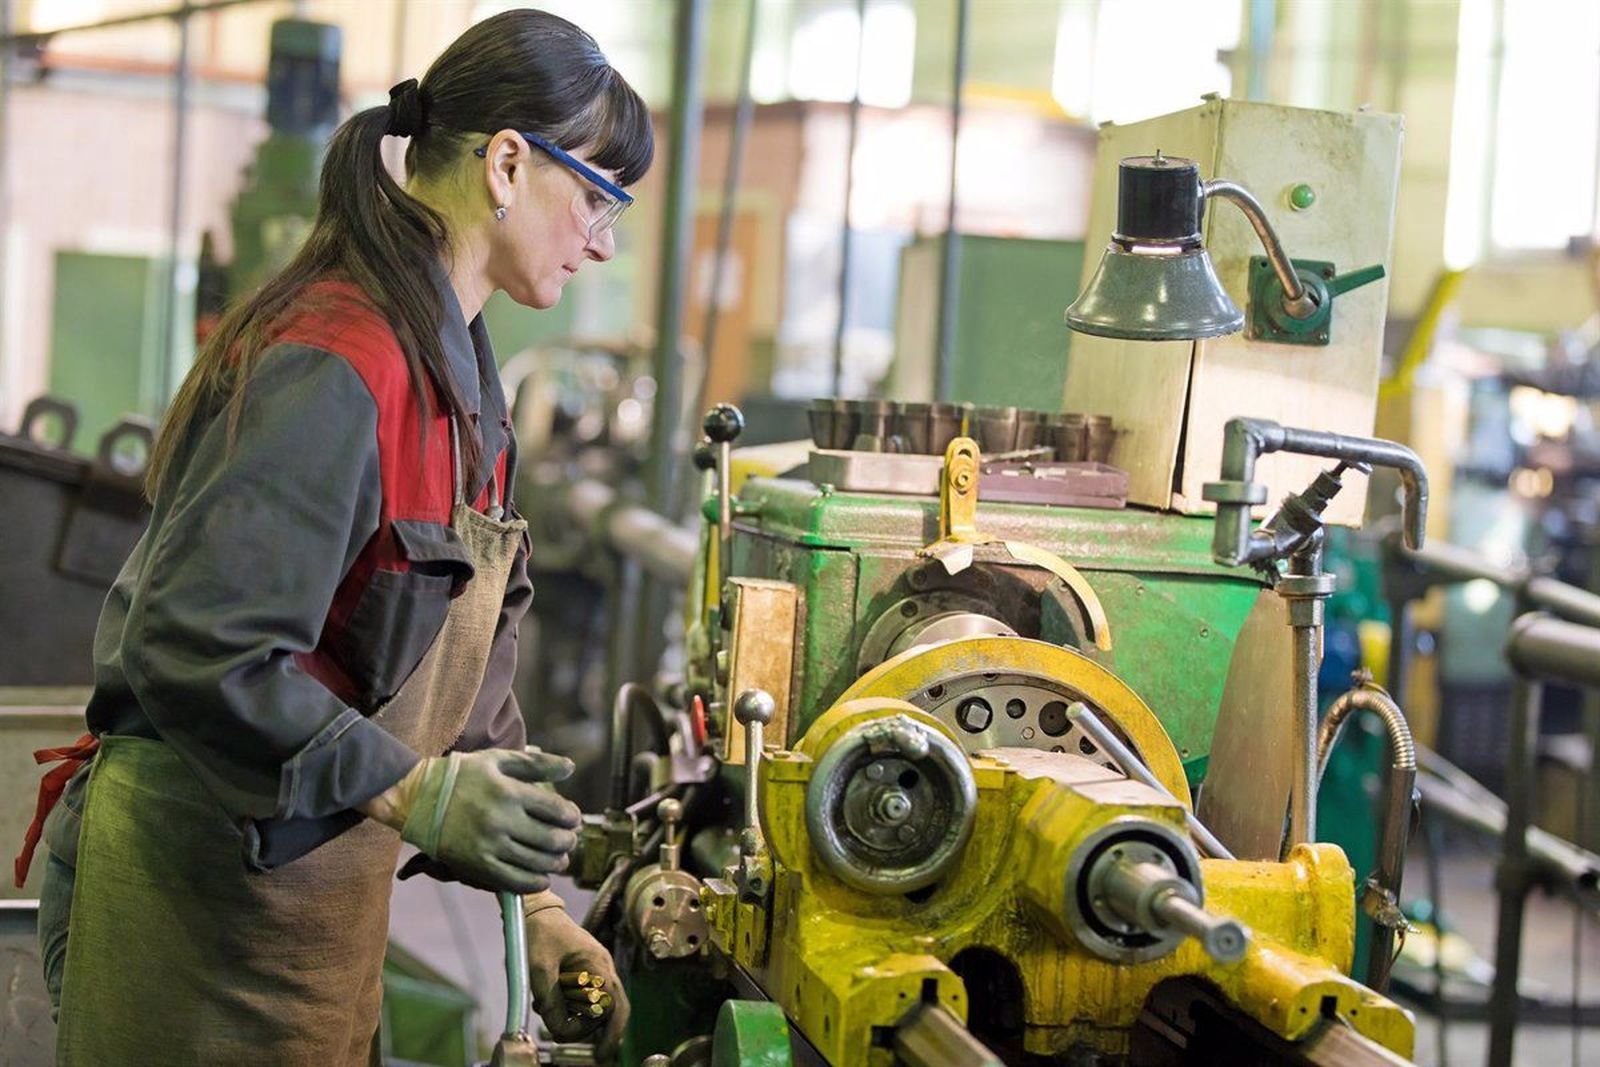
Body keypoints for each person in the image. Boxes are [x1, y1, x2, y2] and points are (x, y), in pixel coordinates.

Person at [15, 9, 652, 1064]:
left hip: (310, 917)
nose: (603, 237)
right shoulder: (341, 359)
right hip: (194, 901)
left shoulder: (469, 393)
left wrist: (533, 902)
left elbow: (460, 682)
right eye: (595, 194)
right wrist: (419, 792)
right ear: (506, 163)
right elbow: (202, 647)